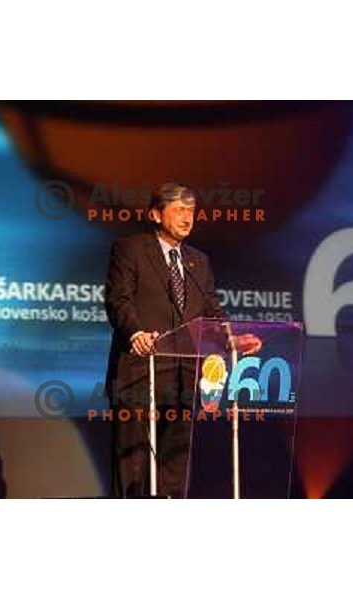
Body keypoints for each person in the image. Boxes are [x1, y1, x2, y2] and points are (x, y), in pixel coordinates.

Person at [104, 182, 260, 498]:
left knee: (174, 466)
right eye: (178, 210)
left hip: (184, 377)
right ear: (156, 214)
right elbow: (118, 299)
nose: (187, 218)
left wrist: (232, 340)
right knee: (132, 465)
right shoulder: (131, 248)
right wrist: (136, 334)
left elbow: (212, 310)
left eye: (191, 211)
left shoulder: (197, 261)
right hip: (140, 373)